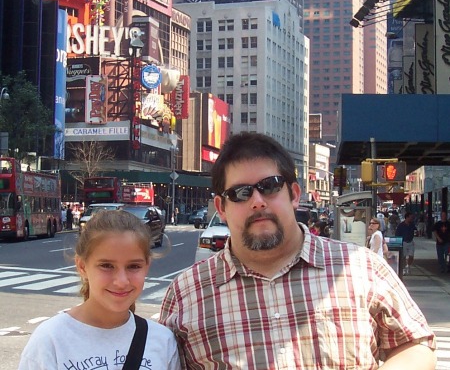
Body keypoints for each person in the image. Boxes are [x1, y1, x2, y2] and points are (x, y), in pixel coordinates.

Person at [159, 132, 436, 369]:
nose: (257, 202)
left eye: (269, 187)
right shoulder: (187, 293)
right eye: (241, 193)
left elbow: (416, 344)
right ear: (221, 208)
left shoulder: (360, 267)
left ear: (294, 194)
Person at [18, 210, 180, 370]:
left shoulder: (162, 341)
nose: (121, 281)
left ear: (147, 267)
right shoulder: (50, 340)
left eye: (134, 266)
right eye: (106, 266)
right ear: (82, 266)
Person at [395, 211, 417, 275]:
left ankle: (408, 266)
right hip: (403, 242)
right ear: (407, 217)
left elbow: (415, 230)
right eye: (410, 217)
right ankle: (404, 268)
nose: (411, 219)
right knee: (403, 256)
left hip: (410, 241)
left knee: (411, 255)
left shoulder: (412, 224)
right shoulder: (401, 225)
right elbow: (397, 234)